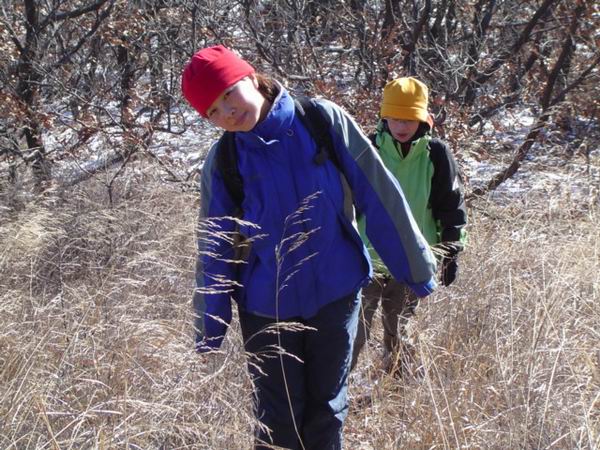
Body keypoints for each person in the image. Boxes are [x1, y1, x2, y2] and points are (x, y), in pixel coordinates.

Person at [181, 46, 438, 450]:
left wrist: (415, 268)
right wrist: (209, 327)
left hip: (336, 295)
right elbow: (215, 247)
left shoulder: (320, 120)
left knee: (326, 415)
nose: (227, 112)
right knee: (277, 424)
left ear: (250, 77)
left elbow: (379, 193)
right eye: (212, 111)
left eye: (228, 93)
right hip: (266, 308)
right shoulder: (225, 159)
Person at [350, 77, 467, 377]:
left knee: (401, 332)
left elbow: (451, 206)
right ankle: (336, 394)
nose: (402, 126)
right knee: (353, 333)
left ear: (423, 119)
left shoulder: (436, 154)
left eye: (410, 119)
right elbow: (347, 203)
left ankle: (398, 392)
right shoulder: (367, 149)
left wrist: (451, 253)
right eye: (395, 118)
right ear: (384, 117)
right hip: (367, 261)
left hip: (412, 259)